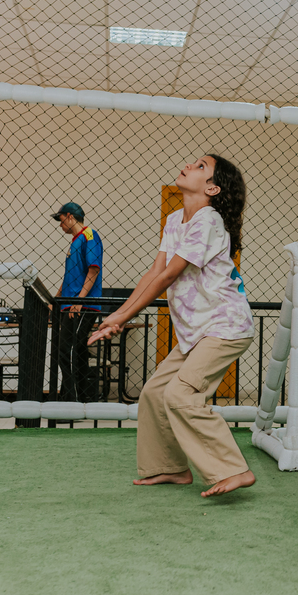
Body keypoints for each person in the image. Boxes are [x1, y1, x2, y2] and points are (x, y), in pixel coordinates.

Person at [88, 154, 256, 497]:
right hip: (196, 333)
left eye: (200, 166)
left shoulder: (208, 221)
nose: (189, 165)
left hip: (225, 327)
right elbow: (154, 272)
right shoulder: (176, 219)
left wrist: (121, 316)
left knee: (181, 394)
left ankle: (234, 470)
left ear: (212, 187)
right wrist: (123, 313)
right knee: (153, 393)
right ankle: (169, 468)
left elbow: (168, 275)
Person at [51, 201, 103, 403]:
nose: (60, 224)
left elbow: (93, 269)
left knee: (68, 350)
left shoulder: (90, 236)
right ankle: (82, 398)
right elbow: (70, 276)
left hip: (82, 305)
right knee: (76, 350)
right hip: (70, 303)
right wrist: (56, 300)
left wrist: (80, 301)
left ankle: (70, 401)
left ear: (71, 217)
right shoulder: (75, 240)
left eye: (61, 219)